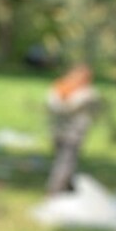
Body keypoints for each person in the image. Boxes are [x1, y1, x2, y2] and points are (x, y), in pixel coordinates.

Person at [45, 64, 103, 194]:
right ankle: (56, 190)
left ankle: (67, 188)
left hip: (58, 130)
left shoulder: (58, 87)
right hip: (72, 133)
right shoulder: (86, 93)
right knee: (66, 162)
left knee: (63, 160)